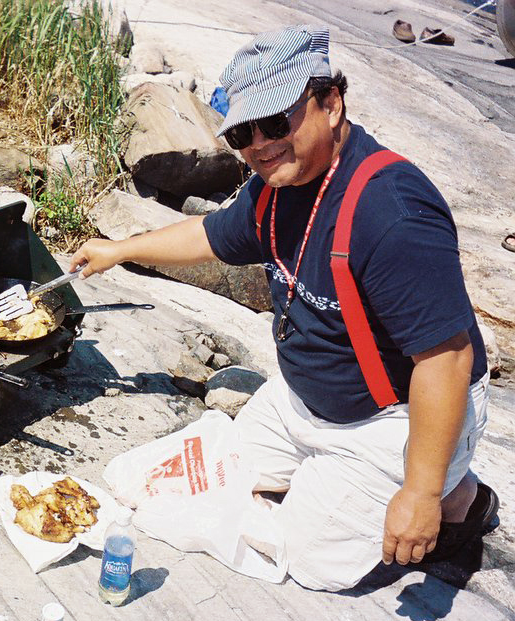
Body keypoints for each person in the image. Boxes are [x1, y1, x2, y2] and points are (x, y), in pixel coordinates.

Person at [71, 25, 496, 591]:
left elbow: (445, 360)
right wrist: (121, 250)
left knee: (312, 563)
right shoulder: (274, 188)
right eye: (243, 133)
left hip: (393, 416)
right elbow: (211, 235)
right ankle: (339, 487)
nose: (260, 143)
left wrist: (418, 492)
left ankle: (459, 496)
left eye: (277, 122)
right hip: (304, 402)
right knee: (205, 477)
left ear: (331, 103)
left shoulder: (393, 213)